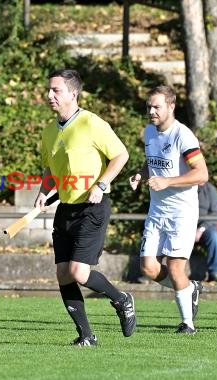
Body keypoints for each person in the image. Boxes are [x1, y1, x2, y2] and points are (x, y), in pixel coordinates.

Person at [34, 69, 136, 347]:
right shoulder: (49, 131)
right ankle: (86, 336)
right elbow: (50, 169)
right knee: (63, 274)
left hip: (93, 207)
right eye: (49, 90)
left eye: (56, 90)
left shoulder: (92, 123)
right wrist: (44, 192)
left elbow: (121, 155)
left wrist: (101, 185)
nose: (49, 95)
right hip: (65, 209)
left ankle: (122, 299)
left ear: (73, 93)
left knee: (79, 272)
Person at [129, 85, 208, 335]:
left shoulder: (182, 135)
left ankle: (188, 324)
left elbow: (202, 174)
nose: (151, 111)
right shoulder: (149, 132)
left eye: (157, 107)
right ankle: (189, 288)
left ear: (171, 106)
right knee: (148, 267)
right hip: (156, 211)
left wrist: (168, 181)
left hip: (181, 213)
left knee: (175, 268)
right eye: (149, 106)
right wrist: (140, 174)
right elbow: (152, 162)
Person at [196, 182, 217, 282]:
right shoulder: (183, 188)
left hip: (206, 227)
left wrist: (200, 229)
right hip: (185, 225)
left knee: (214, 236)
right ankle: (156, 270)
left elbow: (215, 213)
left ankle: (214, 273)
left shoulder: (210, 189)